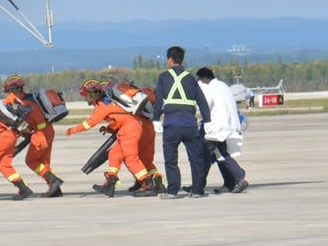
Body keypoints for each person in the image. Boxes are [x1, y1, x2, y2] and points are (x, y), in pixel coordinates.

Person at [66, 79, 154, 196]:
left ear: (93, 94)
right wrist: (109, 128)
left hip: (129, 130)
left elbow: (88, 124)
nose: (86, 99)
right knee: (114, 154)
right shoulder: (111, 101)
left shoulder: (102, 105)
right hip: (130, 128)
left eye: (86, 96)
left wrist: (71, 130)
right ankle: (110, 183)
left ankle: (147, 184)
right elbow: (120, 117)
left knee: (131, 159)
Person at [152, 46, 212, 199]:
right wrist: (207, 120)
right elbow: (202, 101)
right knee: (196, 158)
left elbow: (158, 101)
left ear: (170, 60)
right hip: (190, 124)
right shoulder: (191, 78)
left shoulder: (163, 77)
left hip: (171, 124)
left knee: (171, 159)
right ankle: (198, 190)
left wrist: (155, 119)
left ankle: (172, 191)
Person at [2, 75, 65, 197]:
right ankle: (55, 189)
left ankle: (54, 181)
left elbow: (39, 119)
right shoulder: (26, 100)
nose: (8, 95)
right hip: (47, 130)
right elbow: (32, 121)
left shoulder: (27, 102)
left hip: (41, 132)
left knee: (31, 161)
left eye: (9, 91)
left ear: (14, 90)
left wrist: (39, 135)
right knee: (43, 162)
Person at [196, 67, 249, 194]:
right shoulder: (223, 85)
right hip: (229, 125)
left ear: (203, 78)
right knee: (219, 154)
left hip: (217, 127)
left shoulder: (209, 88)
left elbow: (206, 105)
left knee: (206, 155)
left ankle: (239, 176)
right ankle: (229, 183)